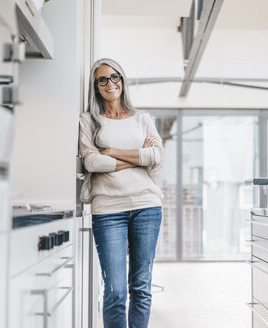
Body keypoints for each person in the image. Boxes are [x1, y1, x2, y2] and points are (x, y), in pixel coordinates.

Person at [79, 58, 164, 328]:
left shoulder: (143, 118)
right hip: (108, 210)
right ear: (96, 86)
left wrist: (112, 151)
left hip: (146, 206)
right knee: (115, 291)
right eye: (102, 79)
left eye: (114, 76)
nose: (110, 83)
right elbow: (91, 162)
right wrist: (140, 158)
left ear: (122, 80)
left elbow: (157, 157)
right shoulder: (88, 120)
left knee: (141, 286)